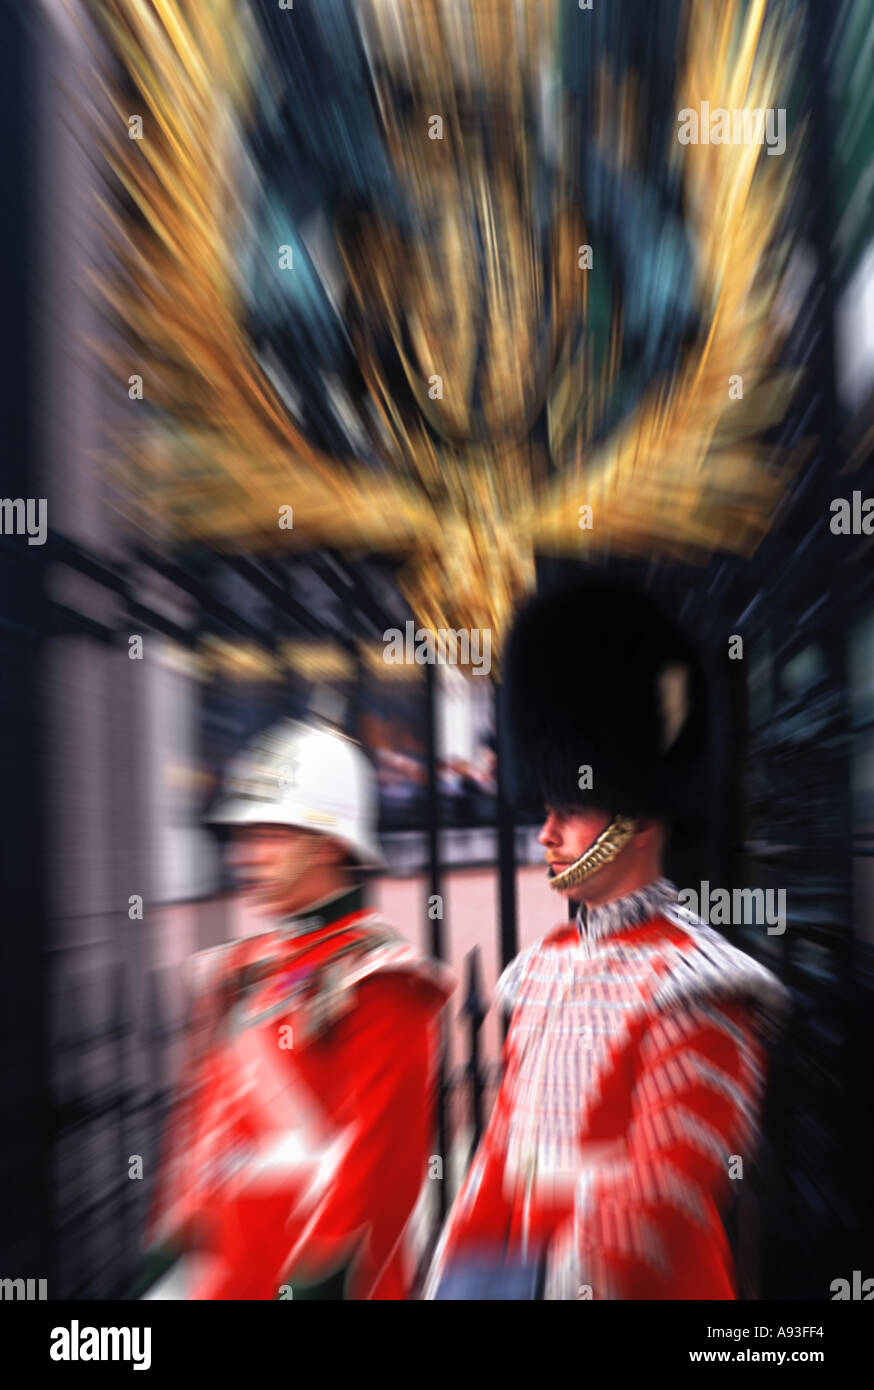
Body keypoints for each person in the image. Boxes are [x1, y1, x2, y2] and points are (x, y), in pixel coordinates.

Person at [426, 578, 789, 1300]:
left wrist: (542, 1281)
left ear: (639, 812)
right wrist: (459, 1268)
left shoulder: (704, 983)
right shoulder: (542, 972)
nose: (547, 833)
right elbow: (502, 1152)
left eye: (571, 808)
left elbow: (666, 1190)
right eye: (547, 806)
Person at [141, 716, 454, 1300]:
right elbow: (203, 1128)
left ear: (332, 842)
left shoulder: (383, 979)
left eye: (272, 836)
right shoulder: (240, 970)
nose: (248, 856)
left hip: (313, 1276)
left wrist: (325, 1280)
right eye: (245, 837)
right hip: (229, 1272)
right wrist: (171, 1247)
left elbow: (382, 1164)